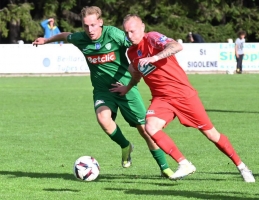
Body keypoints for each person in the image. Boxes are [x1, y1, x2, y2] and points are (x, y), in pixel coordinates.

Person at [110, 14, 256, 182]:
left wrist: (155, 57)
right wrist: (126, 87)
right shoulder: (132, 52)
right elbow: (137, 75)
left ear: (142, 27)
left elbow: (177, 46)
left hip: (182, 95)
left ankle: (242, 166)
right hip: (162, 98)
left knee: (212, 135)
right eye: (126, 32)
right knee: (150, 127)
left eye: (133, 31)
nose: (129, 36)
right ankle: (184, 163)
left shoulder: (152, 38)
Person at [33, 6, 174, 177]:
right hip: (102, 91)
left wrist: (153, 55)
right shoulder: (81, 38)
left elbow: (136, 42)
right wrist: (46, 41)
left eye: (93, 25)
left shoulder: (113, 34)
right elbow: (65, 35)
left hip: (125, 88)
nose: (90, 30)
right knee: (103, 119)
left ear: (100, 22)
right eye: (86, 26)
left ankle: (164, 167)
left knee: (145, 130)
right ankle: (125, 146)